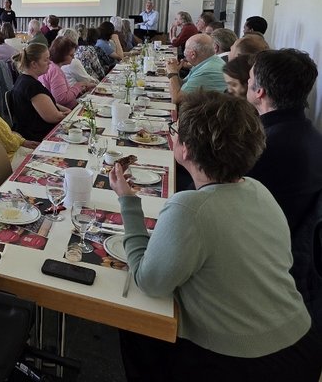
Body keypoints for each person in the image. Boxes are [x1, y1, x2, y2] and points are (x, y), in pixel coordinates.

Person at [109, 91, 322, 381]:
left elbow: (149, 280)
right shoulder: (260, 191)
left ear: (186, 150)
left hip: (245, 363)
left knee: (136, 325)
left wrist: (128, 202)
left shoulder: (190, 208)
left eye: (176, 132)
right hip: (302, 343)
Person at [246, 49, 322, 325]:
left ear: (260, 92)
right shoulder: (310, 135)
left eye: (250, 77)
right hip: (290, 259)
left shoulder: (265, 147)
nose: (246, 82)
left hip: (259, 261)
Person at [10, 43, 71, 142]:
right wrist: (69, 114)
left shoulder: (23, 79)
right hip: (38, 136)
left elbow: (51, 104)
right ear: (34, 64)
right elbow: (53, 117)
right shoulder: (32, 87)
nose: (50, 63)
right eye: (46, 60)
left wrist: (68, 111)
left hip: (32, 131)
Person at [165, 34, 226, 104]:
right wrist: (175, 71)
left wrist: (172, 73)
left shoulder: (207, 71)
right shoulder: (207, 62)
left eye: (185, 49)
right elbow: (182, 86)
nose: (184, 54)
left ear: (193, 54)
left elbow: (176, 99)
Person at [39, 37, 95, 109]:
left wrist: (80, 89)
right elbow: (62, 99)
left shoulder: (52, 66)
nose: (74, 57)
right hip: (67, 110)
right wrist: (78, 86)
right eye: (71, 55)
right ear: (61, 55)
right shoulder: (55, 71)